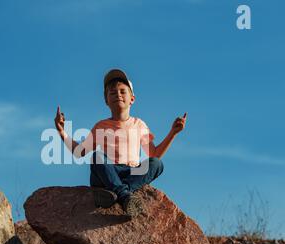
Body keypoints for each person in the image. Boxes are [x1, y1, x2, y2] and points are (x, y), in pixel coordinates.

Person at [54, 69, 187, 216]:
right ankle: (125, 196)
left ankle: (116, 194)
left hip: (131, 172)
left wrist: (173, 133)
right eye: (112, 92)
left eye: (123, 91)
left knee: (156, 163)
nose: (118, 94)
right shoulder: (101, 126)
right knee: (97, 157)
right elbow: (79, 152)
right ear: (106, 101)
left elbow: (154, 154)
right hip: (107, 173)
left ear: (132, 99)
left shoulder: (139, 124)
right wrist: (62, 131)